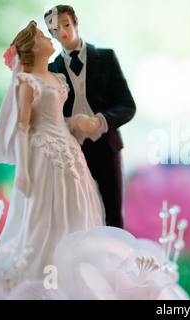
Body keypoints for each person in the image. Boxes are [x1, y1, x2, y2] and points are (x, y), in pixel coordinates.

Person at [0, 21, 105, 291]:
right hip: (42, 156)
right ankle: (40, 281)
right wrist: (24, 173)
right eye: (42, 35)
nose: (50, 37)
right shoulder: (27, 82)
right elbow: (22, 128)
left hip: (67, 152)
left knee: (74, 210)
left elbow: (57, 119)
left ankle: (70, 275)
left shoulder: (55, 78)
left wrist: (77, 122)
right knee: (45, 216)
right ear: (32, 47)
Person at [44, 5, 136, 228]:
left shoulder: (105, 57)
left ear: (75, 22)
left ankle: (116, 259)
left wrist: (99, 120)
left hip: (106, 148)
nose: (63, 32)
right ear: (51, 34)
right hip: (72, 151)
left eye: (66, 24)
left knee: (112, 213)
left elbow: (127, 105)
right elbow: (49, 115)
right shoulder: (50, 69)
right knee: (78, 214)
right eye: (55, 29)